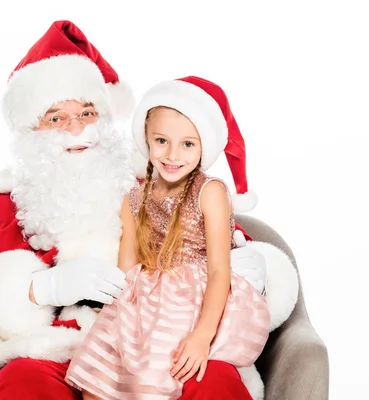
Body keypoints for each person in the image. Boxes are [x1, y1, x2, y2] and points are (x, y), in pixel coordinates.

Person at [0, 21, 298, 400]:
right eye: (56, 118)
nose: (77, 130)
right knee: (23, 384)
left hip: (156, 342)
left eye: (87, 114)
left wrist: (254, 268)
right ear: (28, 130)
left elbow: (221, 245)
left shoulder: (148, 185)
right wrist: (38, 289)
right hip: (50, 351)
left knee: (215, 382)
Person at [66, 76, 273, 400]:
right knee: (103, 369)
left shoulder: (210, 192)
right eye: (162, 141)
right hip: (146, 294)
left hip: (196, 295)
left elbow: (220, 271)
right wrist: (118, 322)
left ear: (204, 145)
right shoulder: (134, 199)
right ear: (146, 139)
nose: (173, 154)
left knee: (161, 363)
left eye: (188, 144)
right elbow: (127, 268)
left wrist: (202, 336)